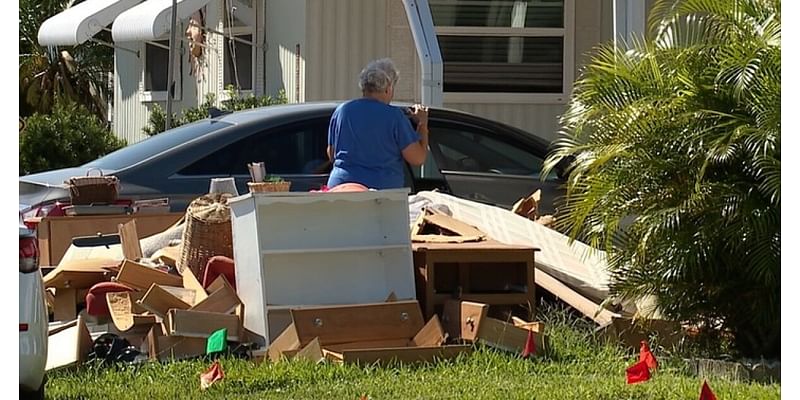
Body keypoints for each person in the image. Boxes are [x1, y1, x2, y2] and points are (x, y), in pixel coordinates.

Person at [326, 58, 429, 190]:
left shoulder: (342, 111)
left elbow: (332, 153)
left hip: (342, 187)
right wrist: (422, 125)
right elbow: (418, 158)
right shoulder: (394, 116)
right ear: (388, 88)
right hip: (381, 194)